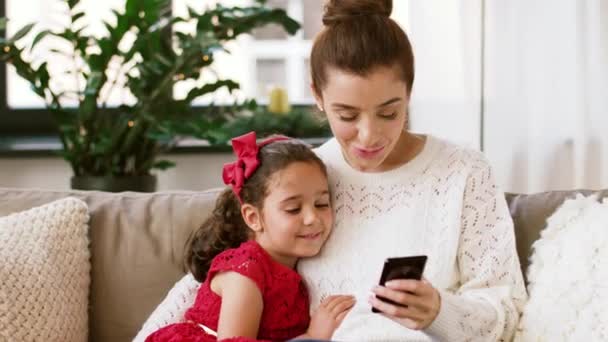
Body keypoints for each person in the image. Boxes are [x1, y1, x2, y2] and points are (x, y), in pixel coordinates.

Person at [137, 1, 528, 341]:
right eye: (347, 115)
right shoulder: (301, 179)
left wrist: (440, 312)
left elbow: (507, 313)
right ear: (318, 97)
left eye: (389, 112)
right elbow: (214, 283)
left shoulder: (463, 172)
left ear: (409, 92)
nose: (369, 135)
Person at [144, 132, 355, 342]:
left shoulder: (295, 269)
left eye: (321, 204)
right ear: (253, 217)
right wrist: (311, 337)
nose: (312, 218)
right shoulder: (246, 270)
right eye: (293, 209)